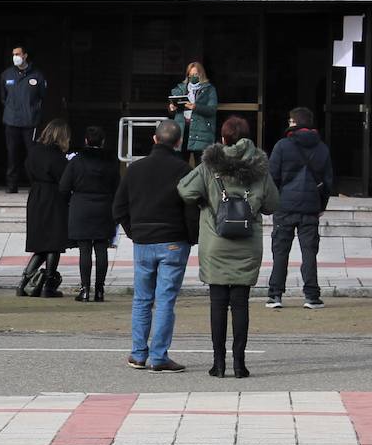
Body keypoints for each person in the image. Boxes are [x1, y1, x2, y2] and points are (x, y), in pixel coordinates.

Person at [178, 116, 279, 379]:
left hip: (215, 243)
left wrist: (205, 200)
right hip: (247, 245)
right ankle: (240, 364)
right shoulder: (260, 167)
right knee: (241, 304)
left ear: (223, 139)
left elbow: (184, 190)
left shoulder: (209, 166)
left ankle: (218, 363)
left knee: (217, 304)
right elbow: (272, 204)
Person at [113, 119, 196, 372]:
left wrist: (133, 231)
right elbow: (191, 210)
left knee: (141, 299)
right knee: (165, 300)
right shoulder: (183, 170)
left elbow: (118, 207)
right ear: (179, 142)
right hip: (173, 240)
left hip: (143, 240)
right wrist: (191, 238)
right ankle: (159, 356)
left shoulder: (135, 169)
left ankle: (138, 354)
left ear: (154, 139)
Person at [266, 107, 334, 310]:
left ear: (294, 123)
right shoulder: (322, 148)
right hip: (310, 206)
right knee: (309, 252)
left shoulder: (282, 146)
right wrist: (321, 205)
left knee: (280, 251)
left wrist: (273, 202)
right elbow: (328, 182)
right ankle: (312, 296)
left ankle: (275, 295)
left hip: (285, 206)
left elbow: (272, 178)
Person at [60, 126, 119, 302]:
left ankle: (85, 289)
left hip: (81, 207)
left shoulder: (76, 161)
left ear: (86, 141)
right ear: (103, 142)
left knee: (84, 250)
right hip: (104, 207)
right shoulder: (111, 162)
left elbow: (63, 187)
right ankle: (99, 290)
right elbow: (118, 187)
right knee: (101, 249)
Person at [20, 118, 71, 298]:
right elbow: (64, 180)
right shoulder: (57, 156)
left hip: (35, 196)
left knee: (40, 244)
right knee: (53, 244)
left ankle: (24, 283)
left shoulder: (34, 151)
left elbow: (27, 170)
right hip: (53, 197)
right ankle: (48, 286)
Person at [0, 45, 47, 193]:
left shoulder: (37, 75)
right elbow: (3, 97)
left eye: (18, 54)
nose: (15, 56)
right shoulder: (6, 75)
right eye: (13, 54)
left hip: (30, 122)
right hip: (11, 120)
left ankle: (35, 185)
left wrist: (33, 111)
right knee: (12, 154)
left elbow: (43, 96)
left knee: (32, 154)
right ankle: (12, 185)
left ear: (25, 55)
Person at [167, 62, 218, 167]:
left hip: (201, 131)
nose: (193, 77)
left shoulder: (209, 90)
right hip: (182, 130)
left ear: (201, 74)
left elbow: (212, 110)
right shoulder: (180, 89)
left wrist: (195, 107)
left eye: (196, 75)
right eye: (190, 75)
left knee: (201, 167)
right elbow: (172, 110)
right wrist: (172, 108)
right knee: (180, 166)